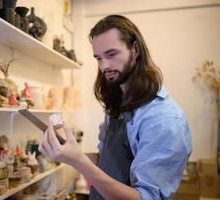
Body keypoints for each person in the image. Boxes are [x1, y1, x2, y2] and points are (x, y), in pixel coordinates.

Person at [38, 15, 192, 200]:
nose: (104, 66)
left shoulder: (164, 119)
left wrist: (78, 161)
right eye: (98, 58)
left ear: (135, 49)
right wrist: (68, 153)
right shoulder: (119, 102)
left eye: (111, 55)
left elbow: (145, 197)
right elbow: (106, 161)